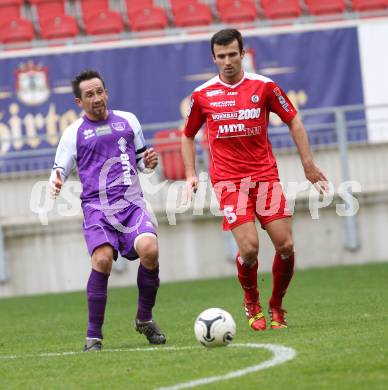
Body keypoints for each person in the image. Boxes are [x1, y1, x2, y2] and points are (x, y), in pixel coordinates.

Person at [181, 29, 327, 331]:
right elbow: (187, 135)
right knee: (249, 249)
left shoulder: (265, 87)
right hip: (229, 182)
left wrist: (308, 165)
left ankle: (276, 306)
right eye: (221, 56)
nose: (227, 61)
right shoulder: (202, 94)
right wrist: (191, 174)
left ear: (242, 53)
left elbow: (294, 121)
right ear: (214, 58)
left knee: (285, 245)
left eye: (232, 54)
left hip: (264, 178)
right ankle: (252, 302)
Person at [50, 69, 166, 351]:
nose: (97, 98)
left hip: (131, 204)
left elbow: (141, 161)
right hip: (97, 210)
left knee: (149, 250)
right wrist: (56, 180)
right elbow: (59, 168)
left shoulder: (128, 121)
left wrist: (149, 161)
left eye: (100, 91)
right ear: (79, 102)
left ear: (107, 93)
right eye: (89, 94)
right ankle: (94, 336)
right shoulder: (73, 133)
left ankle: (144, 319)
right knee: (102, 261)